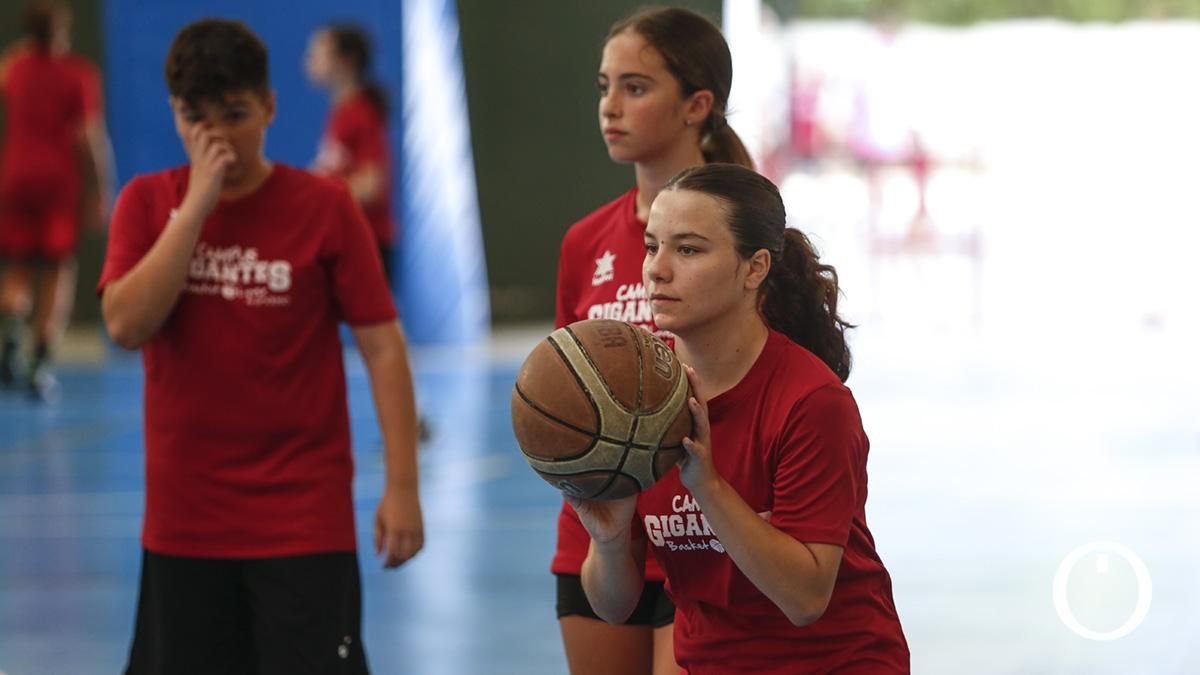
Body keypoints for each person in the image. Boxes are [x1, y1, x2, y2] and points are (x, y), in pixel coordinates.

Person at [97, 19, 423, 674]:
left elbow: (383, 348)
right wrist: (194, 211)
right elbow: (126, 325)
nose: (216, 137)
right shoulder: (146, 203)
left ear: (270, 107)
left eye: (236, 115)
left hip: (303, 520)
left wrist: (404, 484)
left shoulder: (325, 208)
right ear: (174, 113)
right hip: (185, 524)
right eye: (196, 117)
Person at [570, 163, 910, 673]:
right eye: (651, 247)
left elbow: (804, 598)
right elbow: (614, 607)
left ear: (754, 269)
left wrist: (706, 485)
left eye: (688, 250)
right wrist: (611, 539)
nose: (657, 269)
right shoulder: (636, 396)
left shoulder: (812, 402)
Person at [552, 8, 754, 674]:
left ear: (698, 104)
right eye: (604, 86)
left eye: (635, 87)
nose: (610, 106)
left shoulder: (748, 232)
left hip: (701, 531)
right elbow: (562, 383)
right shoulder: (585, 241)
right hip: (600, 527)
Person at [0, 0, 114, 400]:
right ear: (60, 30)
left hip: (14, 177)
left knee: (17, 268)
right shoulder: (78, 75)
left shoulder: (15, 69)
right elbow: (89, 137)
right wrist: (100, 187)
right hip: (55, 183)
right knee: (56, 273)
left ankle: (12, 334)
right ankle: (39, 363)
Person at [305, 23, 396, 287]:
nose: (310, 61)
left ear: (346, 62)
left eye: (318, 54)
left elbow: (371, 184)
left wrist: (323, 198)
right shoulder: (340, 113)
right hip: (344, 239)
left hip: (368, 241)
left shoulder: (361, 114)